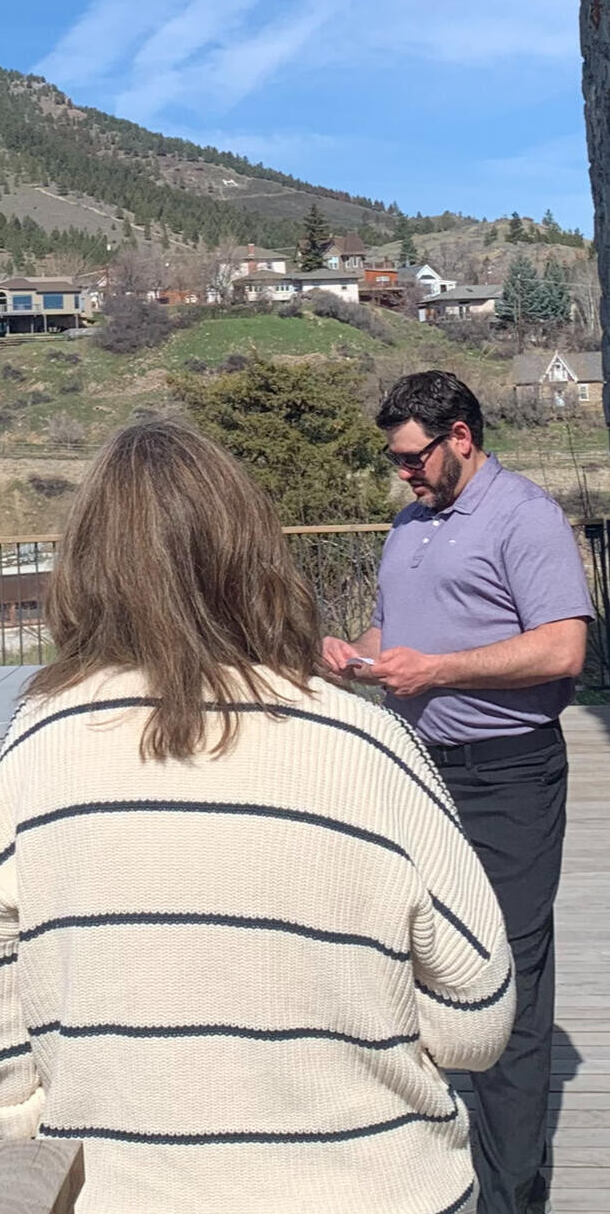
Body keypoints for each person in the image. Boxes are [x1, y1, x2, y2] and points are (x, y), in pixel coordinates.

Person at [0, 419, 514, 1213]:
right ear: (254, 556)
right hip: (373, 1184)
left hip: (124, 1190)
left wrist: (55, 1132)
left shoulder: (38, 745)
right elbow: (477, 1015)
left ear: (82, 568)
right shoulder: (367, 741)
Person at [322, 371, 590, 1214]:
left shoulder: (525, 517)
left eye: (411, 457)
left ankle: (510, 1197)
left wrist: (436, 670)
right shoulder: (409, 523)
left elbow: (562, 649)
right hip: (415, 768)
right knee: (407, 963)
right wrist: (354, 655)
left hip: (506, 773)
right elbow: (396, 632)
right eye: (393, 459)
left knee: (508, 977)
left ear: (460, 437)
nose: (402, 472)